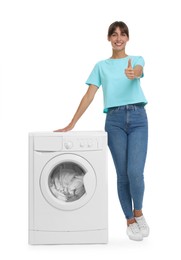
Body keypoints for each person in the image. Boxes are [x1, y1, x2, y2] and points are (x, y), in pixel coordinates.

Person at [54, 21, 149, 241]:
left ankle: (139, 212)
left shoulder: (136, 60)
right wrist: (72, 123)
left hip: (138, 118)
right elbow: (89, 96)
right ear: (108, 38)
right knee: (123, 175)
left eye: (123, 34)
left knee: (136, 172)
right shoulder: (101, 66)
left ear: (128, 38)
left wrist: (133, 73)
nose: (118, 38)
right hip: (114, 120)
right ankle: (129, 220)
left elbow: (138, 71)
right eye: (114, 35)